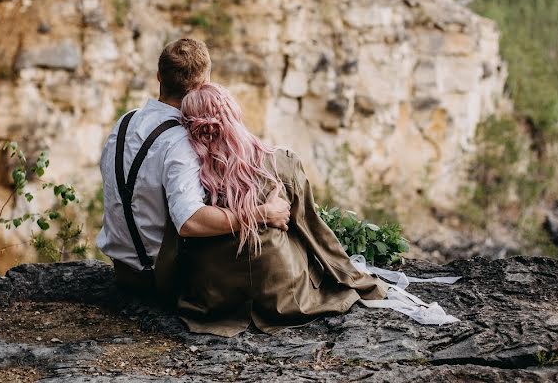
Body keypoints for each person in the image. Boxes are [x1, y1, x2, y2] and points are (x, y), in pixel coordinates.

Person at [172, 82, 387, 336]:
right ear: (234, 113)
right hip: (284, 298)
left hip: (214, 300)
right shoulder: (282, 162)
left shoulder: (186, 172)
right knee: (296, 229)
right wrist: (357, 280)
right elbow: (313, 231)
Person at [96, 39, 291, 298]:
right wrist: (262, 214)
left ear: (158, 77)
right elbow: (190, 221)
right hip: (160, 279)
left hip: (124, 271)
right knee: (282, 174)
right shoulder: (179, 141)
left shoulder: (125, 122)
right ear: (204, 85)